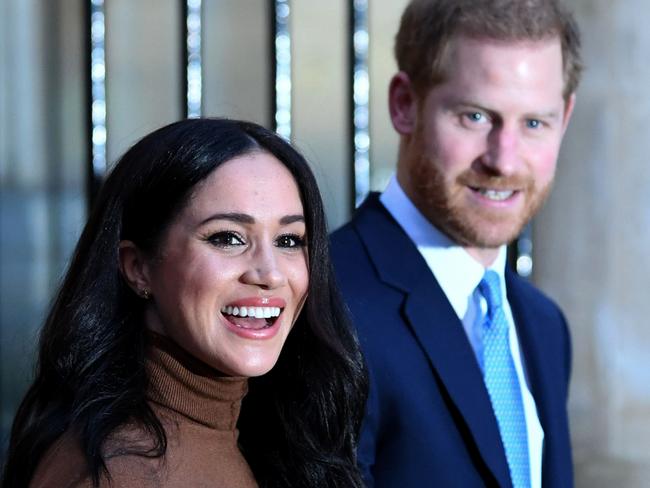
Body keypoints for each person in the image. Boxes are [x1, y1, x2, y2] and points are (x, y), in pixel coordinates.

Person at [1, 118, 368, 488]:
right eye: (228, 237)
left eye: (289, 240)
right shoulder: (118, 474)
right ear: (137, 268)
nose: (269, 274)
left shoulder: (265, 435)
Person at [330, 0, 582, 487]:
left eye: (534, 123)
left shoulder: (543, 325)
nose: (504, 161)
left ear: (565, 118)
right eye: (475, 116)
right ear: (405, 104)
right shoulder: (327, 307)